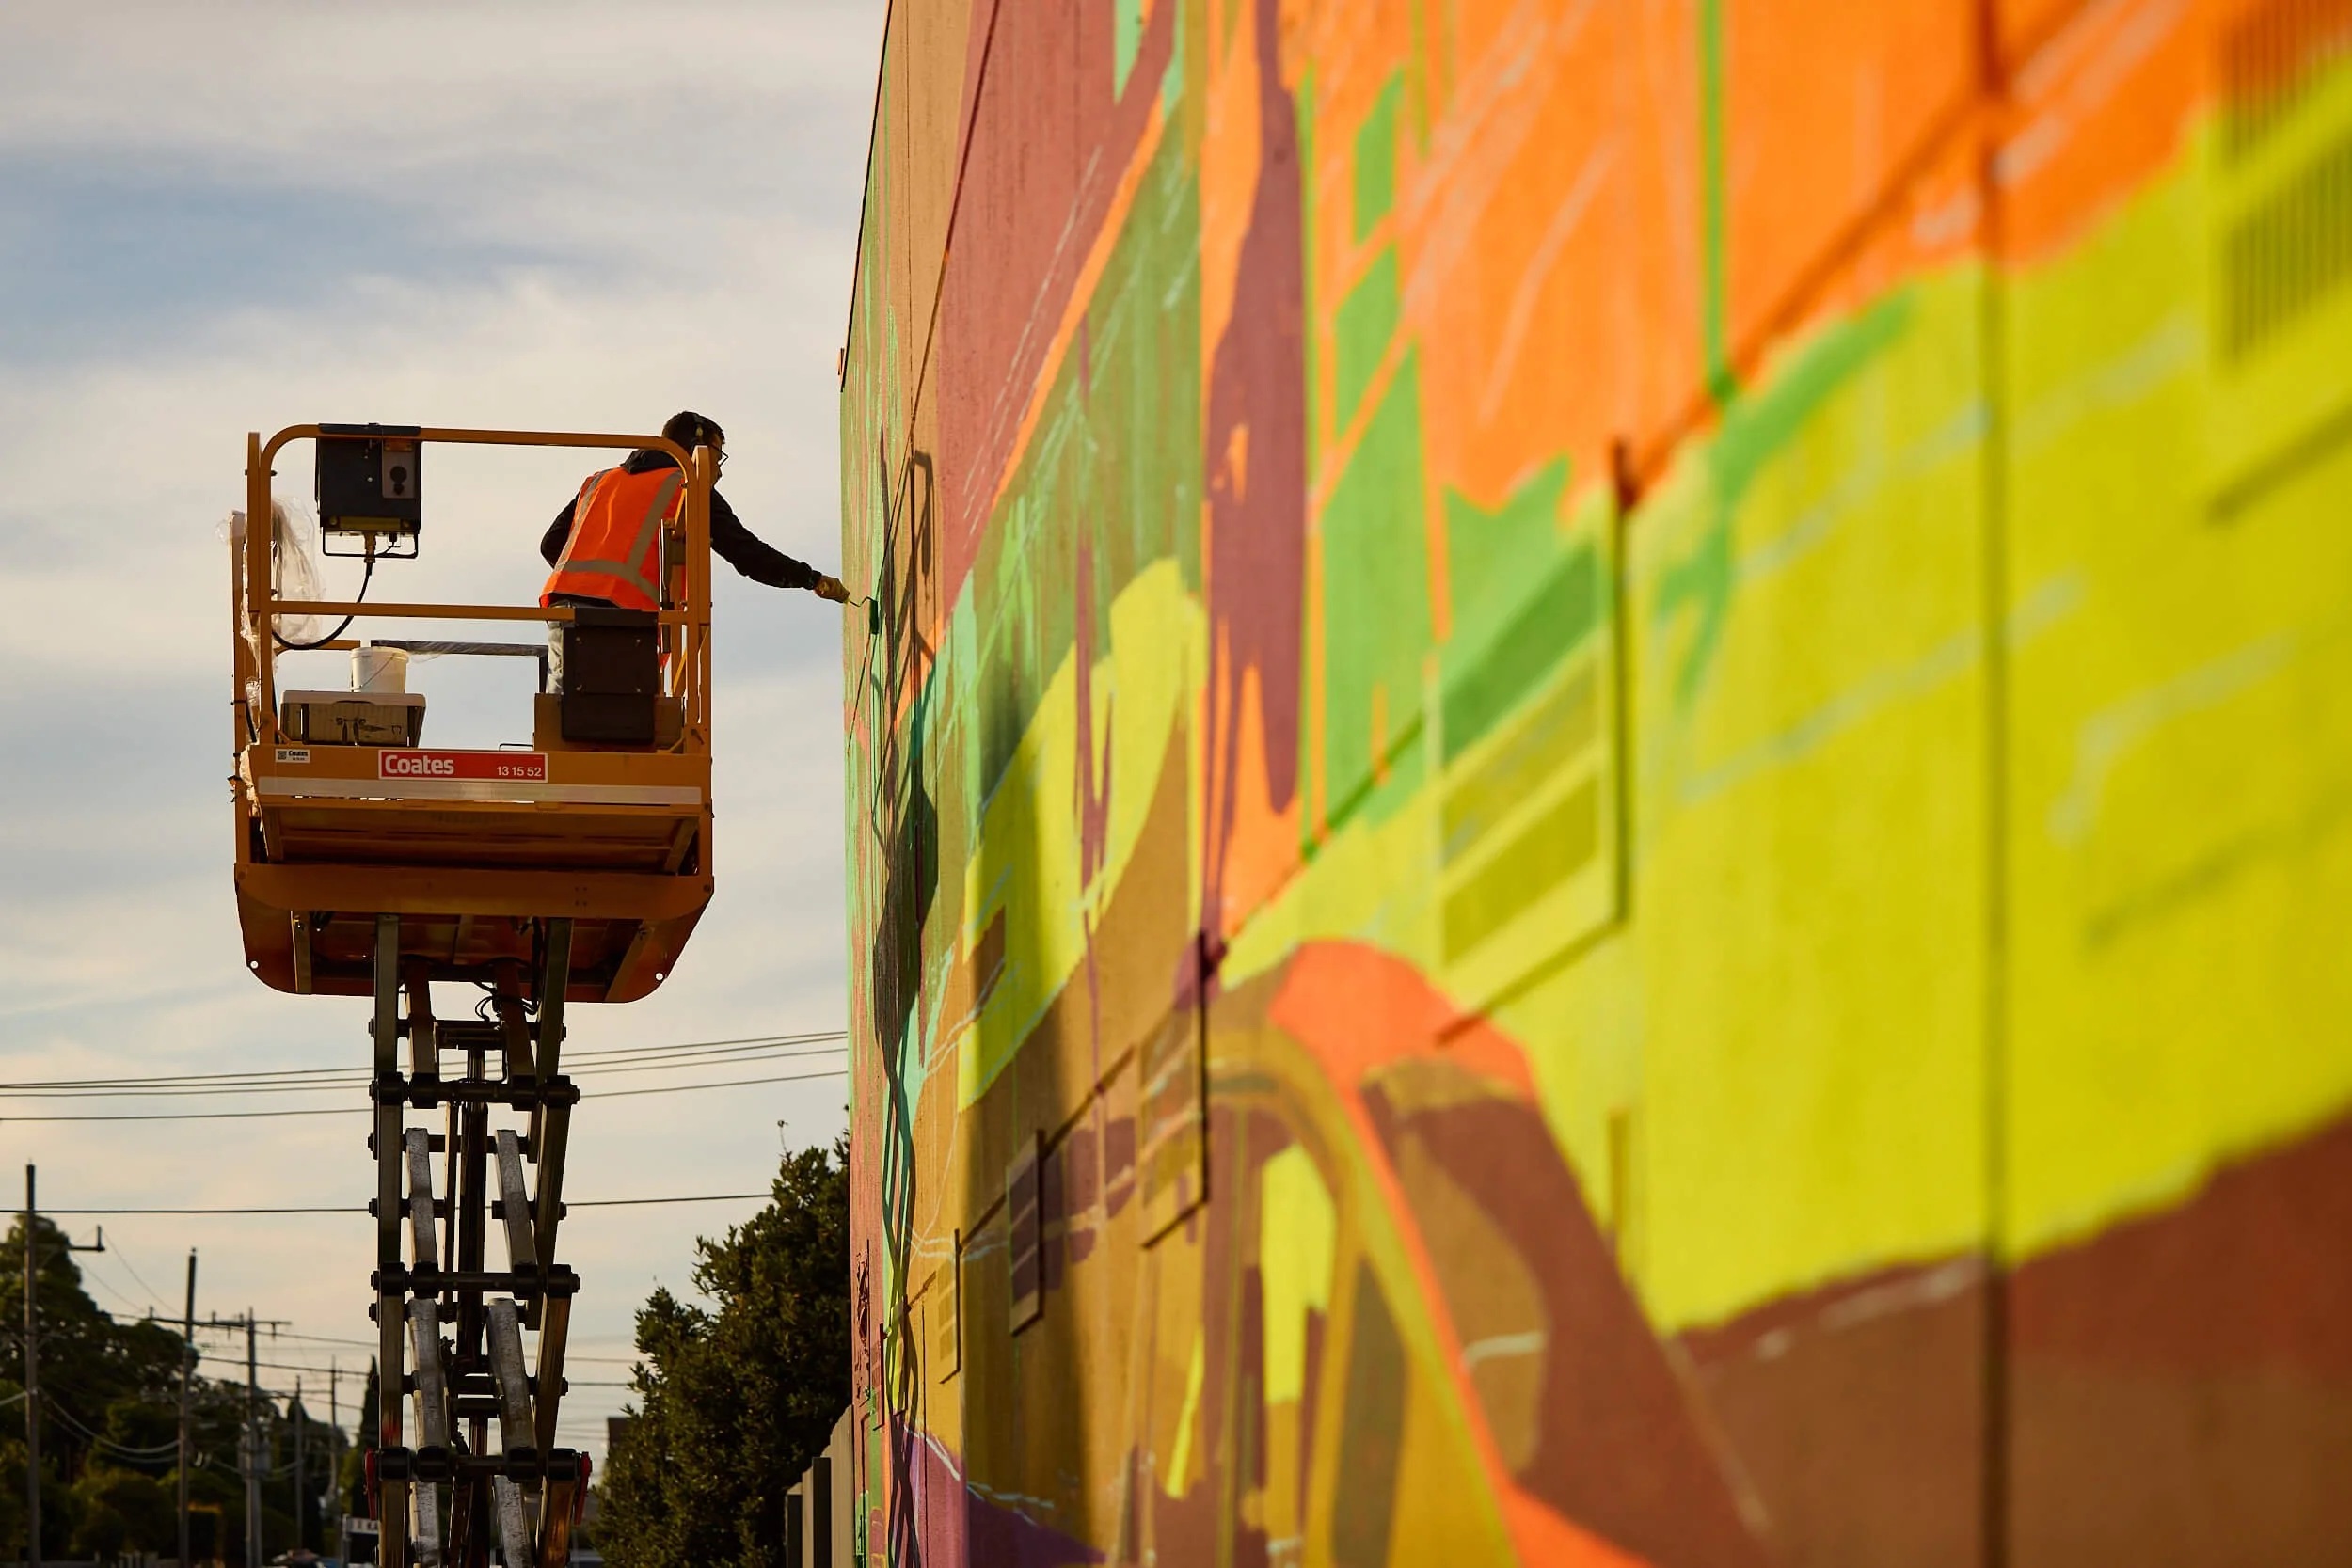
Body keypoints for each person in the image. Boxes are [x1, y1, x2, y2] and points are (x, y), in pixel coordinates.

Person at [539, 409, 849, 614]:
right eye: (717, 455)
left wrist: (588, 586)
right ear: (696, 446)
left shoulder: (601, 481)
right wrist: (810, 578)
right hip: (625, 619)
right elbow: (747, 553)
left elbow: (551, 544)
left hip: (562, 611)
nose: (718, 470)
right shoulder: (687, 487)